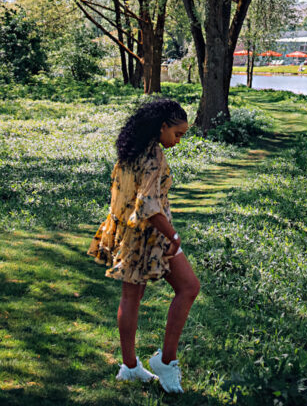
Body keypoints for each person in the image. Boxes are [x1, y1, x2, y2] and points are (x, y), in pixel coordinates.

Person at [88, 97, 199, 392]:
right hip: (151, 234)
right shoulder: (153, 156)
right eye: (177, 134)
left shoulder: (132, 148)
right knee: (189, 287)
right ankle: (166, 361)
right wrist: (173, 236)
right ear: (162, 127)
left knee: (131, 299)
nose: (178, 140)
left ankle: (131, 367)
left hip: (129, 232)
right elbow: (148, 204)